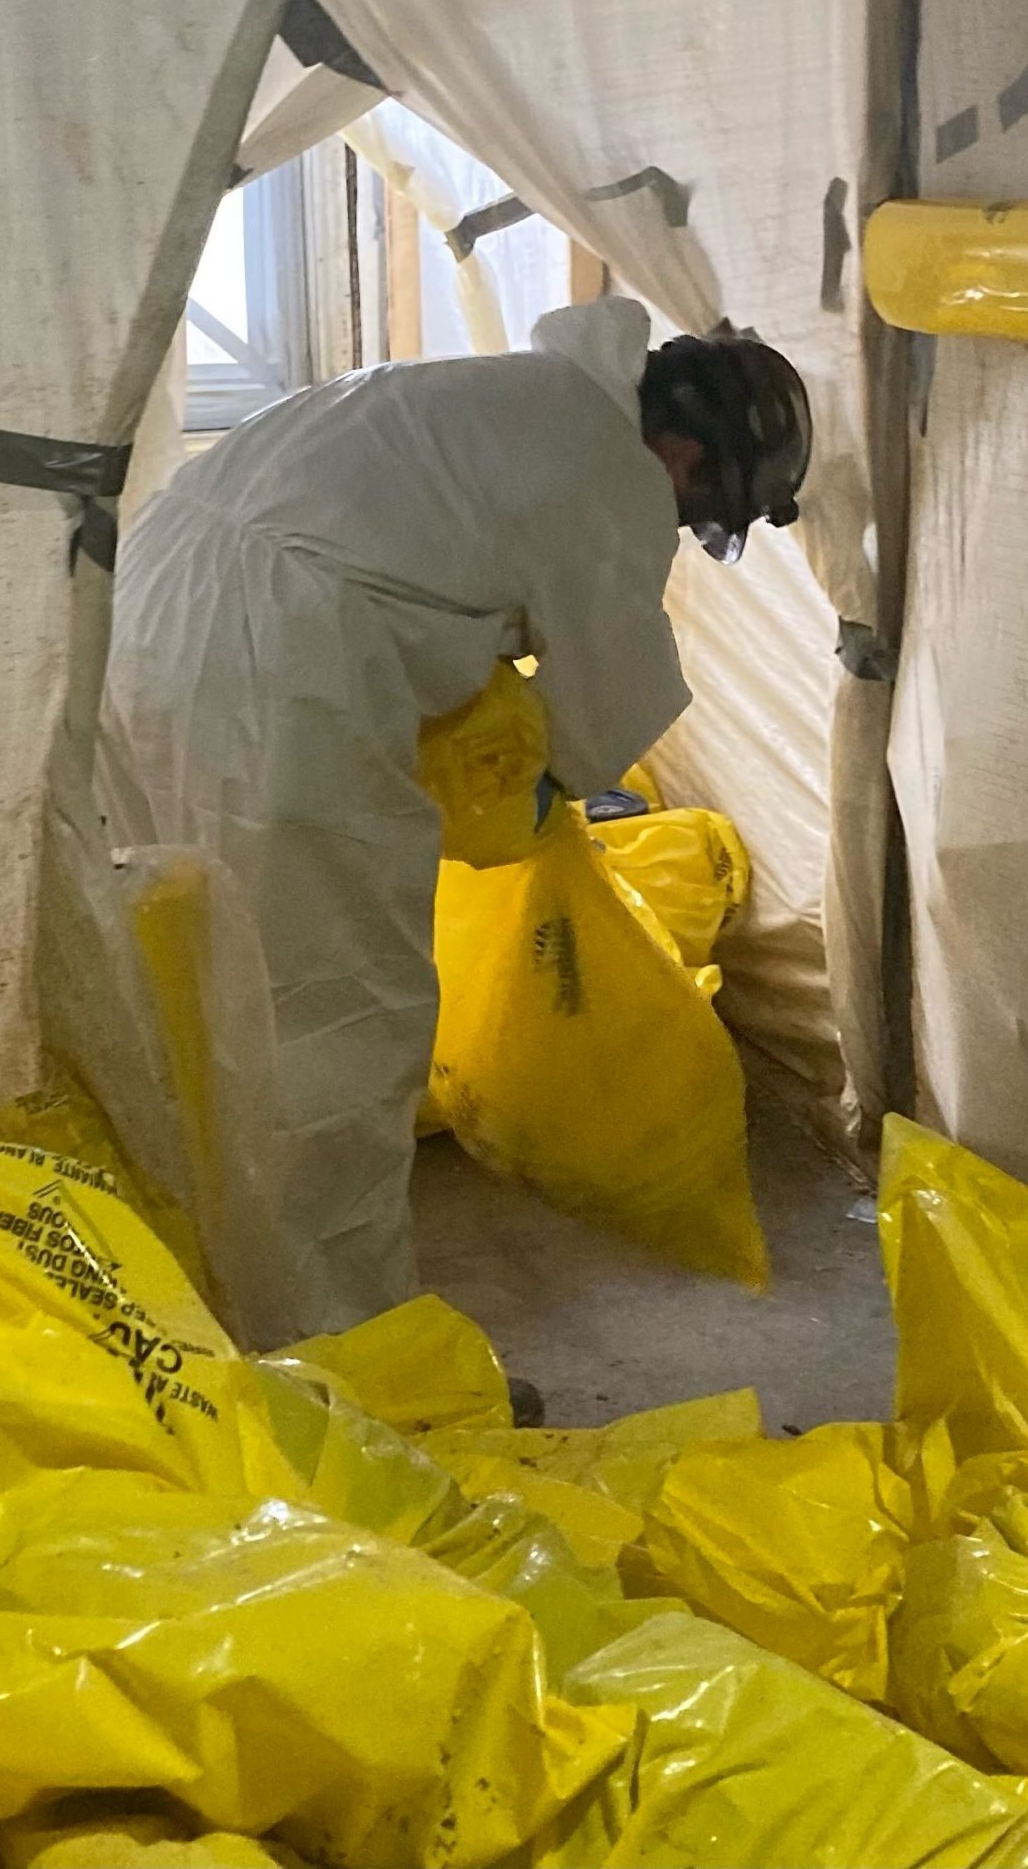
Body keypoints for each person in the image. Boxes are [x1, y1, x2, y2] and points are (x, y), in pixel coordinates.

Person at [98, 294, 812, 1343]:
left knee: (185, 967)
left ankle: (183, 1291)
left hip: (148, 614)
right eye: (697, 500)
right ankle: (350, 1354)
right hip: (277, 663)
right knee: (336, 1011)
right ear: (687, 453)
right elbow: (605, 697)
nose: (675, 518)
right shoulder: (611, 469)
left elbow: (435, 573)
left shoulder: (502, 395)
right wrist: (533, 791)